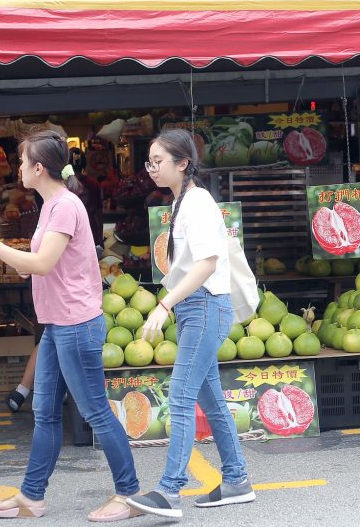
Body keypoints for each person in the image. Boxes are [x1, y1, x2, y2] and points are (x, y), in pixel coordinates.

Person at [0, 130, 140, 522]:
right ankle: (32, 497)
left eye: (22, 162)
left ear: (39, 168)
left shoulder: (63, 206)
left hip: (76, 325)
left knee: (95, 411)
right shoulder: (51, 205)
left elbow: (42, 263)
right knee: (44, 411)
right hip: (58, 324)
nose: (18, 169)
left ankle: (129, 495)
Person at [127, 129, 254, 519]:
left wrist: (163, 305)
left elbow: (207, 262)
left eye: (158, 161)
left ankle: (169, 490)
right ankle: (236, 481)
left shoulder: (197, 203)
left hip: (202, 307)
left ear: (183, 163)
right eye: (149, 162)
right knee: (210, 399)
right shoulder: (183, 201)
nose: (152, 169)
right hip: (197, 310)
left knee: (180, 397)